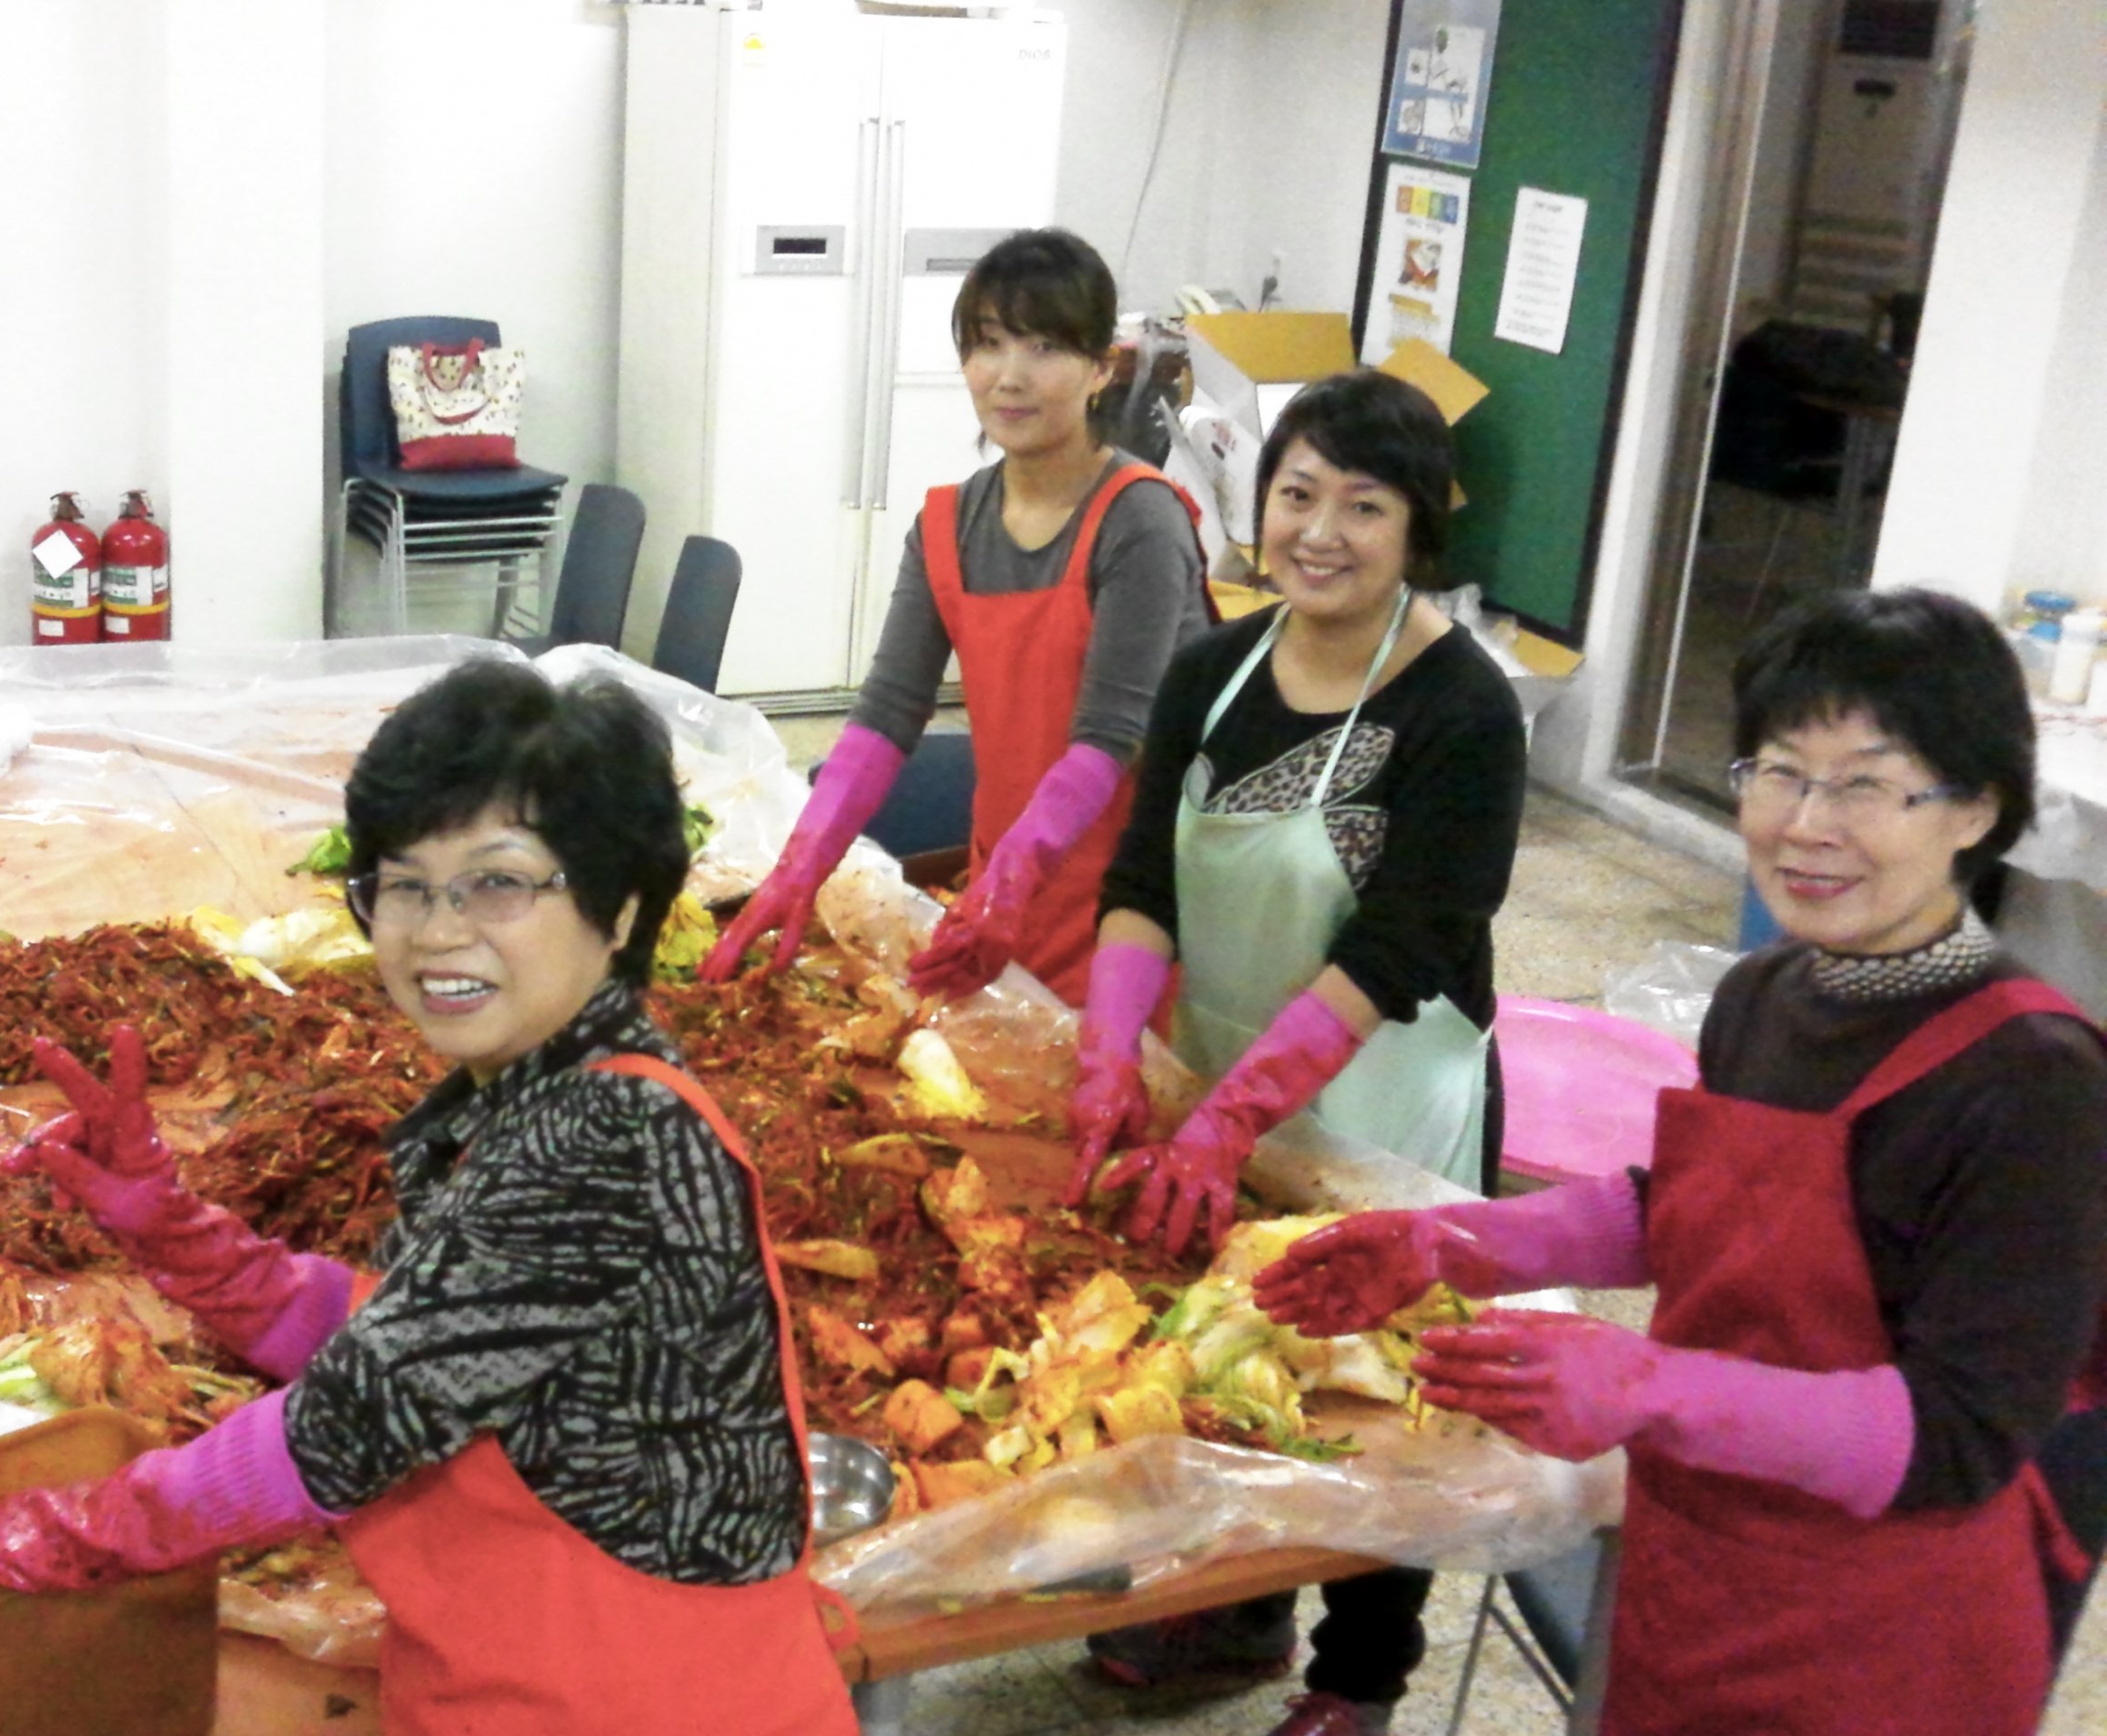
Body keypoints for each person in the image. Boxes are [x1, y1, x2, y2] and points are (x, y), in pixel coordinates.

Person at [0, 659, 858, 1733]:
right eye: (402, 886)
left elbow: (347, 1425)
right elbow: (404, 1334)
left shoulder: (608, 1144)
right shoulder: (545, 1094)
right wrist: (182, 1238)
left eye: (497, 884)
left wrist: (83, 1529)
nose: (435, 932)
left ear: (619, 904)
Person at [1255, 588, 2107, 1736]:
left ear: (1975, 809)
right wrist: (1449, 1242)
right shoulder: (1762, 993)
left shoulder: (2032, 1080)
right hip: (1695, 1569)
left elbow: (1959, 1434)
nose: (1805, 824)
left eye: (1864, 785)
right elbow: (1693, 1207)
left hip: (1881, 1634)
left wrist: (1648, 1386)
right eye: (1778, 772)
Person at [1072, 370, 1527, 1734]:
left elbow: (1402, 945)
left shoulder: (1462, 709)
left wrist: (1232, 1121)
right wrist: (1107, 1053)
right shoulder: (1212, 673)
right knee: (1228, 1348)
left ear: (1419, 530)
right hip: (1222, 1056)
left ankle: (1359, 1675)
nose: (1320, 532)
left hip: (1382, 1089)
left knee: (1379, 1386)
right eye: (1296, 493)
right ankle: (1238, 1605)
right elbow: (1141, 881)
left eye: (1363, 505)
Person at [701, 227, 1211, 1006]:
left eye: (1045, 347)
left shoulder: (1139, 519)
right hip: (999, 888)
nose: (1010, 377)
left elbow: (1109, 737)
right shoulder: (946, 525)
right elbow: (886, 715)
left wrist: (1012, 880)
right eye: (988, 344)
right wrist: (800, 869)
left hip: (1131, 910)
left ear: (1102, 368)